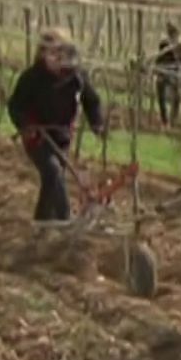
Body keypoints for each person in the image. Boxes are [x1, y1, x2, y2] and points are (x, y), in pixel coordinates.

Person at [7, 28, 106, 222]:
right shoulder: (31, 77)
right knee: (53, 171)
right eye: (50, 54)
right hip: (37, 136)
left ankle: (41, 223)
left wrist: (97, 123)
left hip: (62, 137)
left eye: (59, 53)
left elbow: (92, 101)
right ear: (42, 54)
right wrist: (25, 125)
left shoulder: (76, 76)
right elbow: (15, 105)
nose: (55, 58)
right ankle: (64, 218)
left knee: (51, 180)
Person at [153, 21, 181, 127]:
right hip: (164, 72)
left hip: (174, 73)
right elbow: (159, 59)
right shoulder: (164, 44)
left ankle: (172, 120)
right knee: (162, 96)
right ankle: (164, 120)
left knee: (176, 97)